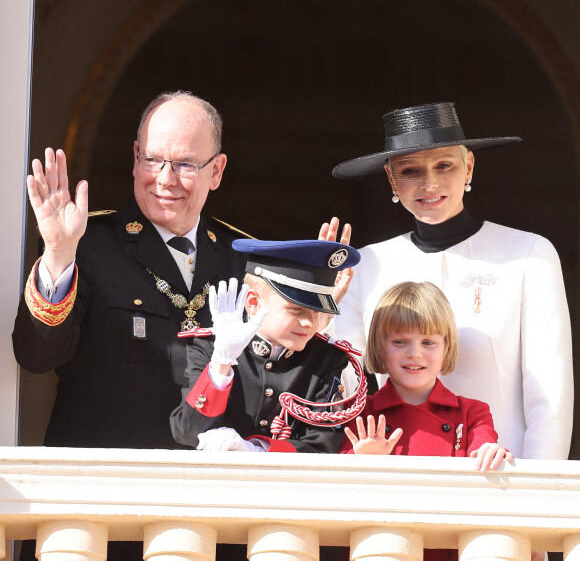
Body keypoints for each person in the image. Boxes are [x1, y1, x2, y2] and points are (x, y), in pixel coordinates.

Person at [12, 91, 249, 560]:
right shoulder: (92, 244)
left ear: (216, 171)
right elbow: (36, 356)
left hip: (213, 519)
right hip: (98, 515)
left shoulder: (247, 259)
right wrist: (58, 254)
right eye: (153, 159)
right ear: (134, 157)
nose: (165, 179)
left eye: (185, 164)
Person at [329, 101, 573, 463]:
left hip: (500, 479)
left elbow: (549, 396)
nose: (430, 183)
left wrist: (534, 491)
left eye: (445, 165)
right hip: (394, 481)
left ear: (469, 166)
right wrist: (318, 310)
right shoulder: (365, 265)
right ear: (391, 179)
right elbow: (343, 391)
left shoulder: (528, 254)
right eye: (410, 170)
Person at [340, 281, 513, 561]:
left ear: (446, 347)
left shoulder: (471, 413)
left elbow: (486, 450)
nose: (415, 353)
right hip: (383, 550)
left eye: (428, 342)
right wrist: (363, 463)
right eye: (400, 341)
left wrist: (494, 454)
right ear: (379, 346)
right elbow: (332, 489)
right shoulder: (362, 413)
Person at [171, 238, 366, 454]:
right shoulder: (210, 347)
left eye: (317, 311)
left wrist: (256, 450)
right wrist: (220, 364)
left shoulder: (327, 360)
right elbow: (187, 432)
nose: (309, 322)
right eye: (296, 309)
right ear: (253, 303)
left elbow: (324, 444)